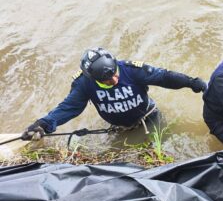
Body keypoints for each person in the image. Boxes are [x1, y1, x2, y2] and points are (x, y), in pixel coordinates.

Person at [22, 47, 207, 139]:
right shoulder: (84, 83)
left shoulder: (132, 70)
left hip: (149, 117)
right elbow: (70, 108)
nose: (115, 81)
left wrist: (191, 83)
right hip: (118, 128)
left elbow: (164, 77)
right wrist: (43, 124)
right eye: (107, 80)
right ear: (93, 78)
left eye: (115, 74)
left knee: (164, 143)